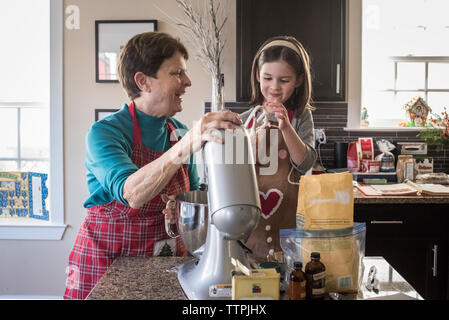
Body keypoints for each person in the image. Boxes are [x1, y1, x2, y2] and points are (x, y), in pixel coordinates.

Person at [63, 32, 242, 300]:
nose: (188, 82)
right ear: (143, 81)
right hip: (108, 263)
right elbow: (132, 194)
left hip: (163, 262)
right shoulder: (105, 133)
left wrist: (178, 210)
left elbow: (191, 197)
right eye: (177, 73)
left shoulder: (178, 132)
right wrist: (187, 144)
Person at [239, 36, 317, 262]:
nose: (274, 87)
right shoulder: (246, 120)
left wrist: (286, 127)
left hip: (289, 219)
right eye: (267, 78)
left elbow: (305, 163)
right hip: (252, 220)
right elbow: (234, 169)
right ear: (257, 76)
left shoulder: (301, 117)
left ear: (299, 80)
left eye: (284, 80)